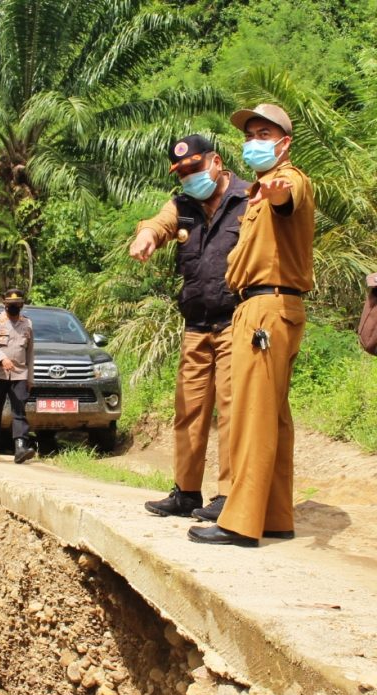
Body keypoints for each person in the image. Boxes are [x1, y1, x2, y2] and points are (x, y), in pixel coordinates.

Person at [188, 103, 314, 547]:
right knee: (273, 417)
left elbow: (288, 197)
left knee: (250, 416)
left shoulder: (288, 179)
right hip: (268, 308)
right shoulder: (258, 189)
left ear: (284, 143)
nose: (253, 142)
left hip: (265, 308)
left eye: (264, 135)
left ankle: (240, 523)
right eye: (249, 135)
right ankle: (275, 516)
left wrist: (277, 192)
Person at [130, 134, 250, 520]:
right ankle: (186, 492)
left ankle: (229, 495)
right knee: (189, 410)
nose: (189, 178)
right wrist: (146, 235)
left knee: (231, 410)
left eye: (195, 169)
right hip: (196, 324)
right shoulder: (182, 205)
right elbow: (159, 223)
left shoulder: (248, 199)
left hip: (235, 321)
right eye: (182, 173)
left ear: (216, 163)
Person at [0, 289, 35, 463]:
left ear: (22, 305)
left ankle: (20, 448)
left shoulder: (27, 323)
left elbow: (30, 352)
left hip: (19, 374)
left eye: (17, 304)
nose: (14, 306)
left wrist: (30, 378)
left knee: (19, 411)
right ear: (4, 304)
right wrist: (2, 358)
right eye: (11, 304)